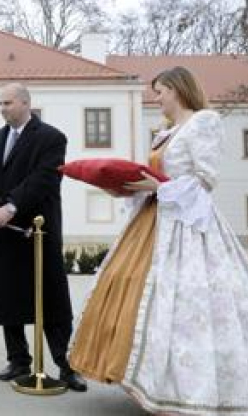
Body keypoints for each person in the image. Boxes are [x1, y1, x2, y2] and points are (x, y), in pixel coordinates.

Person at [68, 67, 248, 414]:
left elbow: (205, 181)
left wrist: (160, 187)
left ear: (178, 90)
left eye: (161, 91)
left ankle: (190, 389)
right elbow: (156, 180)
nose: (158, 98)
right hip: (153, 220)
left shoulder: (204, 122)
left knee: (184, 302)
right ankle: (145, 379)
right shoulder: (166, 132)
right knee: (131, 286)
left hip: (189, 228)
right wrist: (125, 188)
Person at [0, 82, 86, 392]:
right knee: (9, 296)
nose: (3, 109)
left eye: (8, 103)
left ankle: (67, 365)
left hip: (39, 233)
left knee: (50, 300)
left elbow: (45, 179)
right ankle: (18, 360)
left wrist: (12, 205)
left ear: (25, 103)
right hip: (5, 235)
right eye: (0, 104)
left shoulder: (51, 138)